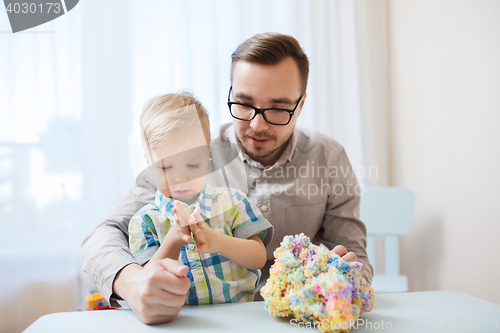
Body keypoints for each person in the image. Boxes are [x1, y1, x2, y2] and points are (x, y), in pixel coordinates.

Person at [81, 32, 373, 325]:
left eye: (278, 108)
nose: (257, 124)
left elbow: (354, 255)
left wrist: (346, 275)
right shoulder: (186, 151)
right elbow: (102, 236)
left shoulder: (328, 157)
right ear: (231, 92)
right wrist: (131, 281)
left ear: (301, 103)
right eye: (244, 103)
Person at [128, 92, 273, 306]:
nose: (180, 178)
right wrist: (173, 241)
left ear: (207, 155)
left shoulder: (233, 203)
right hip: (177, 322)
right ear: (149, 162)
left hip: (238, 316)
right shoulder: (144, 221)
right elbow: (146, 281)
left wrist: (218, 241)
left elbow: (259, 257)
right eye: (166, 167)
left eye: (192, 165)